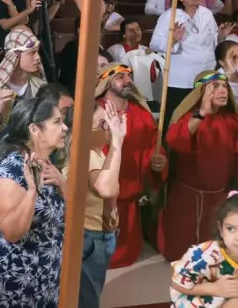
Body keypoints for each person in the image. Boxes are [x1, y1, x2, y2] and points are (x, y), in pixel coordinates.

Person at [0, 94, 69, 308]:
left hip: (43, 278)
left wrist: (63, 185)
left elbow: (66, 219)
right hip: (12, 278)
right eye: (57, 122)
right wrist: (32, 193)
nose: (65, 127)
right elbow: (10, 232)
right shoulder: (11, 169)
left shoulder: (48, 165)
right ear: (34, 129)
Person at [93, 63, 166, 268]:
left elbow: (154, 146)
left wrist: (158, 159)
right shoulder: (93, 111)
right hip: (97, 196)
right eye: (121, 77)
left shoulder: (141, 115)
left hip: (129, 193)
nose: (128, 81)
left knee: (127, 247)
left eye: (129, 76)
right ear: (106, 82)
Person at [159, 71, 238, 261]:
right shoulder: (190, 118)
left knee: (215, 254)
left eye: (225, 86)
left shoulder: (232, 121)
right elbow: (174, 140)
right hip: (188, 197)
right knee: (181, 254)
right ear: (201, 91)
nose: (223, 91)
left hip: (218, 196)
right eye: (215, 86)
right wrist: (202, 113)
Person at [76, 96, 127, 308]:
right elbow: (106, 189)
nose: (108, 128)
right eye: (102, 123)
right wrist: (118, 141)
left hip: (101, 232)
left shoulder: (98, 153)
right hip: (90, 236)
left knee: (93, 291)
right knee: (88, 299)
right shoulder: (86, 154)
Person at [151, 0, 226, 110]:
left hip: (206, 76)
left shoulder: (206, 14)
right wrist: (174, 40)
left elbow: (213, 43)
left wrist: (220, 36)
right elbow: (154, 44)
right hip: (181, 80)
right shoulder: (169, 16)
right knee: (178, 117)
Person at [170, 192, 238, 307]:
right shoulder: (204, 255)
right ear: (221, 230)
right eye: (230, 229)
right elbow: (176, 284)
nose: (237, 237)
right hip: (197, 296)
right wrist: (215, 288)